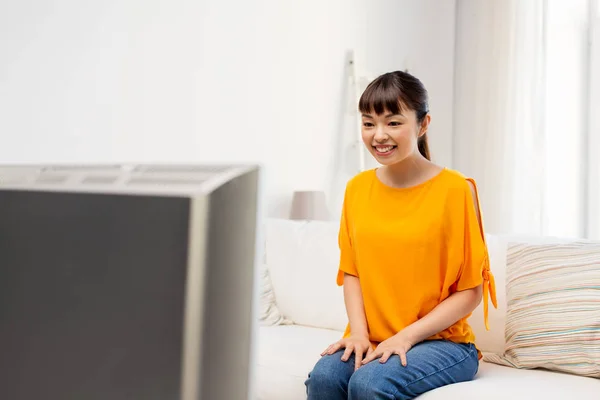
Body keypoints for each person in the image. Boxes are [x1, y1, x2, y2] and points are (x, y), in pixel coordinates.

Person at [304, 71, 498, 400]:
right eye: (368, 123)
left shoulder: (456, 190)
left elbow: (470, 292)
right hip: (376, 336)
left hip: (442, 343)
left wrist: (405, 337)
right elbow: (353, 272)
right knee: (324, 378)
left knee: (369, 383)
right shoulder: (357, 189)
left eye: (393, 122)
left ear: (423, 125)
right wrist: (360, 335)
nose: (379, 135)